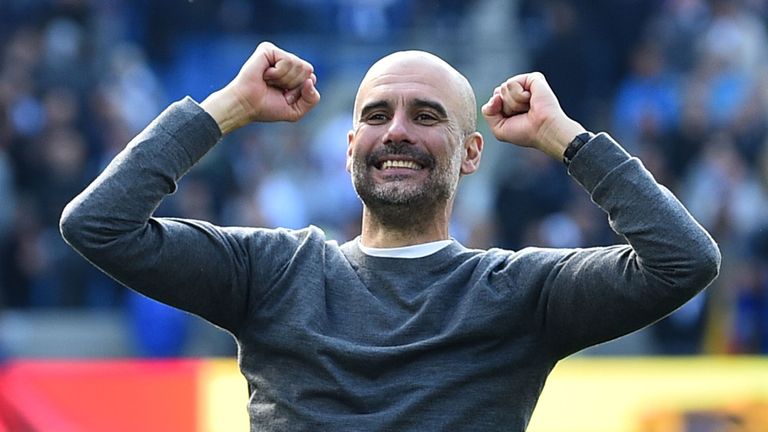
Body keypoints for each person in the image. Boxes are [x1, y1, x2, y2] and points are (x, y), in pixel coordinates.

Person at [60, 42, 720, 431]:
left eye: (425, 115)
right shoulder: (269, 272)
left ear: (470, 154)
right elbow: (99, 224)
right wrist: (226, 108)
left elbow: (682, 261)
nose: (396, 130)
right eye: (377, 115)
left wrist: (566, 139)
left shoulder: (521, 293)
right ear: (351, 148)